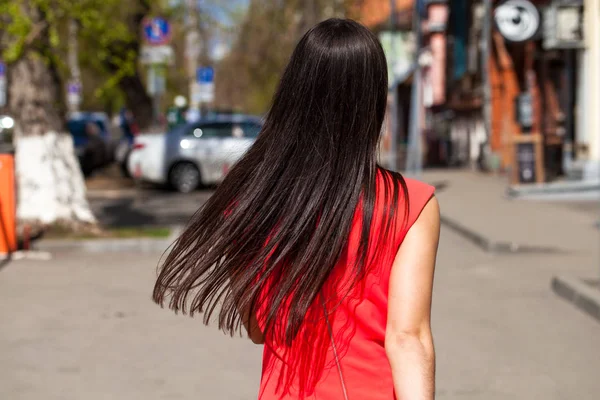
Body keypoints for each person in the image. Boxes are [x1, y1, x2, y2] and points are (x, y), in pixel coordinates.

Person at [153, 19, 440, 400]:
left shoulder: (252, 199)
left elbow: (259, 329)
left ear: (295, 93)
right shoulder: (411, 204)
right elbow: (408, 338)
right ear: (375, 100)